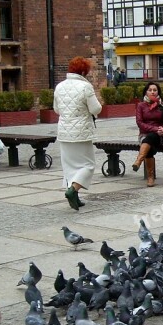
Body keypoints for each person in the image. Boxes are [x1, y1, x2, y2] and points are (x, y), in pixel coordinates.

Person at [53, 56, 103, 210]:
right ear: (83, 71)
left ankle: (74, 195)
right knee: (88, 165)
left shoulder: (59, 86)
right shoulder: (85, 86)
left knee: (69, 166)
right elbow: (96, 109)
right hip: (81, 132)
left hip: (64, 132)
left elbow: (56, 109)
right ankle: (73, 190)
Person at [133, 81, 163, 187]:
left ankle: (139, 161)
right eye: (150, 90)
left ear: (158, 92)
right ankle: (150, 177)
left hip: (159, 136)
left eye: (155, 90)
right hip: (144, 135)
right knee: (149, 142)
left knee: (152, 137)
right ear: (146, 92)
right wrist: (155, 129)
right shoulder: (141, 106)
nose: (152, 92)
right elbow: (139, 123)